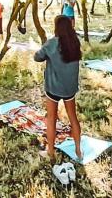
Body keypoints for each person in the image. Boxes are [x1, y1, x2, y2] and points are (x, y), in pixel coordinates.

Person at [34, 15, 83, 162]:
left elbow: (37, 57)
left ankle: (50, 152)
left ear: (57, 28)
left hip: (53, 88)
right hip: (70, 89)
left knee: (51, 119)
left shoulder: (51, 43)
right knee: (73, 118)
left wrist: (44, 47)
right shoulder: (75, 42)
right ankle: (78, 150)